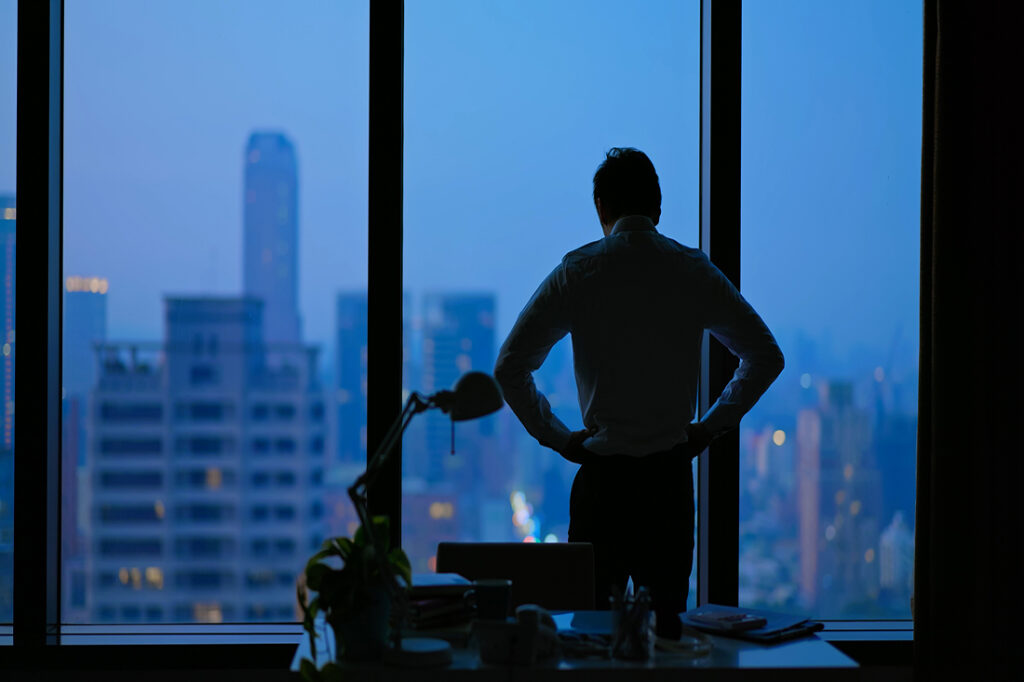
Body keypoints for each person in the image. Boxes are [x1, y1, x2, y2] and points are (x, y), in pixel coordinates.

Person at [493, 147, 784, 635]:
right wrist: (707, 430)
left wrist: (559, 438)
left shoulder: (578, 272)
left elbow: (509, 367)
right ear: (659, 205)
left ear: (601, 207)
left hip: (601, 483)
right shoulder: (691, 270)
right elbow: (765, 356)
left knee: (589, 637)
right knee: (666, 638)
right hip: (667, 483)